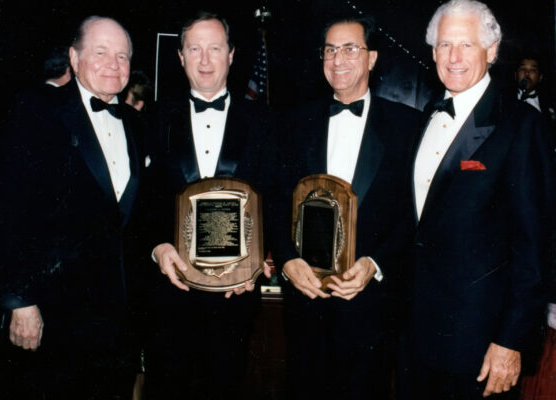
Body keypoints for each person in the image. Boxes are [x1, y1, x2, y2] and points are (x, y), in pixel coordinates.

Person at [401, 1, 555, 399]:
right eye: (444, 44)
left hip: (480, 345)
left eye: (467, 45)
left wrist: (511, 342)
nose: (454, 57)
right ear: (432, 52)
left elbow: (534, 247)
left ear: (493, 50)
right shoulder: (424, 119)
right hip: (416, 335)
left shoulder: (521, 126)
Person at [0, 16, 145, 399]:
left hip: (117, 323)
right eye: (101, 52)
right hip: (54, 317)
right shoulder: (36, 109)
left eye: (122, 56)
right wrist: (20, 301)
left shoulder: (137, 125)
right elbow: (8, 209)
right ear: (74, 58)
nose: (113, 64)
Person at [271, 14, 420, 400]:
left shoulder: (408, 127)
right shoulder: (292, 123)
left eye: (350, 48)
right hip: (305, 301)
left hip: (370, 306)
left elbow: (412, 215)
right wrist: (287, 260)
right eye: (330, 50)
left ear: (372, 58)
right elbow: (274, 199)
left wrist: (375, 263)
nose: (338, 59)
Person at [143, 11, 274, 400]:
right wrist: (157, 247)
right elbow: (141, 203)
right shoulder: (151, 119)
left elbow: (277, 198)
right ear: (180, 57)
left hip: (236, 294)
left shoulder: (266, 123)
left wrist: (263, 258)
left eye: (214, 48)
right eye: (194, 49)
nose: (204, 60)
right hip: (171, 292)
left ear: (231, 55)